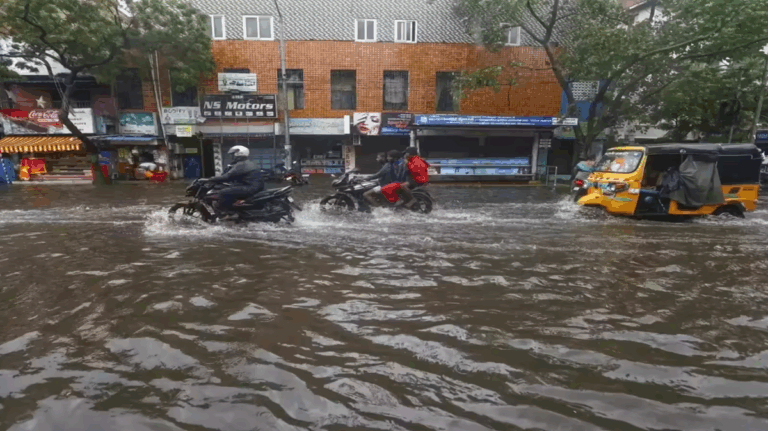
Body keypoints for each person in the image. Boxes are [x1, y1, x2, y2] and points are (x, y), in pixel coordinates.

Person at [205, 145, 264, 214]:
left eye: (233, 155)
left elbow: (226, 177)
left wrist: (210, 179)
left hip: (250, 187)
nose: (231, 157)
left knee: (223, 192)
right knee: (227, 188)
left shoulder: (241, 164)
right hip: (253, 186)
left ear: (238, 154)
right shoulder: (245, 163)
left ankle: (228, 213)